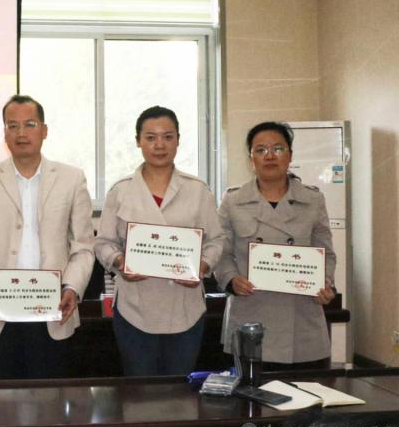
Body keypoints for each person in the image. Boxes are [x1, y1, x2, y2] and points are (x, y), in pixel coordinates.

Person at [0, 95, 96, 379]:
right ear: (4, 133)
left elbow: (84, 247)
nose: (21, 133)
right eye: (12, 126)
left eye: (29, 124)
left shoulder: (71, 179)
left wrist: (72, 288)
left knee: (50, 398)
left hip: (53, 310)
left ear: (44, 130)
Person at [96, 105, 223, 376]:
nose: (159, 145)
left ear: (178, 140)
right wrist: (119, 262)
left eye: (167, 136)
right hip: (134, 308)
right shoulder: (120, 191)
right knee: (140, 390)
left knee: (179, 390)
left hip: (185, 306)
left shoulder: (197, 190)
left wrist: (202, 267)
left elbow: (216, 241)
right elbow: (103, 243)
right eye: (150, 137)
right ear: (138, 141)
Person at [214, 121, 336, 370]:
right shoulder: (233, 200)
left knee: (306, 392)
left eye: (278, 149)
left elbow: (326, 252)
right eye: (260, 150)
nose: (269, 156)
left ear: (290, 155)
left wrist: (325, 282)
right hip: (250, 313)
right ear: (251, 159)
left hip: (301, 318)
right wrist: (231, 279)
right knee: (251, 393)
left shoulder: (313, 200)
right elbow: (221, 252)